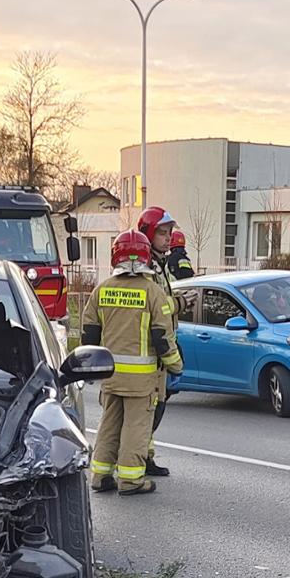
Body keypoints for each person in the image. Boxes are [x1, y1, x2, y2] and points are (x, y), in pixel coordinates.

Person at [82, 230, 181, 496]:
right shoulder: (152, 291)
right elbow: (163, 336)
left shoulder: (101, 290)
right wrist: (176, 366)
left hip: (110, 376)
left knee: (109, 424)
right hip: (141, 379)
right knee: (137, 428)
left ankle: (100, 475)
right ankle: (130, 480)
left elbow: (88, 334)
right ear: (147, 256)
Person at [136, 207, 181, 477]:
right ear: (148, 234)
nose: (168, 239)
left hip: (160, 348)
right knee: (150, 409)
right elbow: (157, 306)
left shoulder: (160, 265)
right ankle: (136, 459)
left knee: (157, 406)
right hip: (148, 350)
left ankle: (145, 456)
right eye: (162, 233)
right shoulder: (145, 267)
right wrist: (181, 303)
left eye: (169, 233)